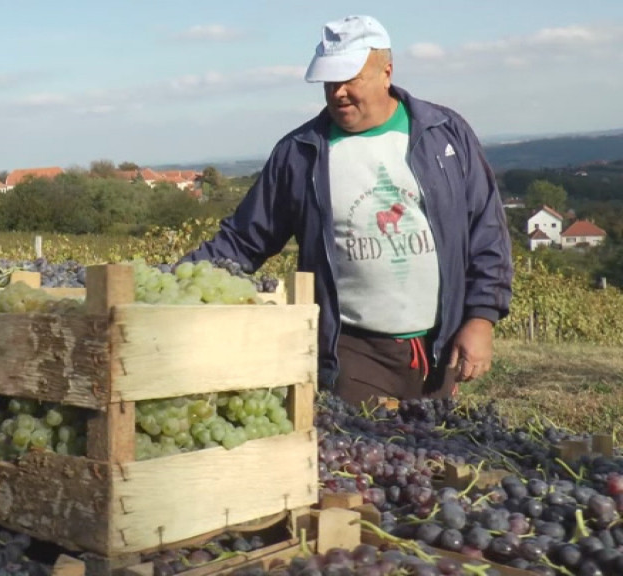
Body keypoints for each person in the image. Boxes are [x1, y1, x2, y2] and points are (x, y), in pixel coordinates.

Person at [180, 15, 513, 407]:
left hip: (438, 349)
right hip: (351, 354)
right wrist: (176, 282)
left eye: (349, 79)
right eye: (329, 82)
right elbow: (243, 239)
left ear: (386, 72)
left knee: (434, 458)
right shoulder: (301, 153)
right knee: (362, 461)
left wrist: (481, 319)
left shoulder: (444, 134)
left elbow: (486, 229)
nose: (338, 93)